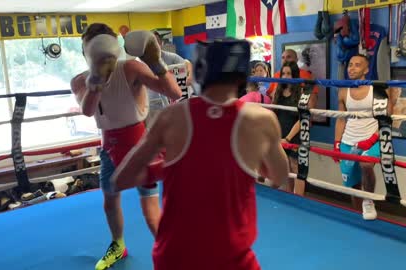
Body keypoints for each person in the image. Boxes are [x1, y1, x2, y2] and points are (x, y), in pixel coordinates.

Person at [109, 39, 289, 270]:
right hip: (232, 260)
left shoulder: (170, 117)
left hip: (174, 258)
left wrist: (172, 168)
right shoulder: (262, 120)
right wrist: (250, 161)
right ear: (242, 75)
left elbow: (120, 179)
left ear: (200, 73)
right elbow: (279, 177)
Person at [70, 24, 181, 270]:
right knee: (110, 202)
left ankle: (170, 254)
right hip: (109, 146)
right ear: (85, 52)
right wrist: (97, 79)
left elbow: (173, 91)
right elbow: (88, 110)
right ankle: (118, 245)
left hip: (140, 143)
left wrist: (156, 63)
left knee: (150, 207)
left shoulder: (131, 67)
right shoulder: (80, 81)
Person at [334, 54, 396, 220]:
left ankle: (368, 201)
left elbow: (387, 120)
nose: (352, 68)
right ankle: (358, 217)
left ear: (366, 69)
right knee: (353, 185)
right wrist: (337, 143)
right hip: (349, 140)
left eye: (357, 65)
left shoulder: (378, 89)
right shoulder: (343, 91)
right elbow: (341, 119)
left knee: (366, 164)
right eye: (350, 65)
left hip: (372, 140)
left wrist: (372, 139)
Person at [272, 61, 308, 196]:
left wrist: (288, 138)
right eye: (284, 73)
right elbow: (273, 113)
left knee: (296, 167)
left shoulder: (302, 92)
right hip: (280, 134)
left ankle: (299, 199)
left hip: (295, 135)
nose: (286, 76)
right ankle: (289, 197)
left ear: (295, 75)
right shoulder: (278, 92)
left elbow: (302, 119)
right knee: (286, 166)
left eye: (289, 74)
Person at [145, 31, 194, 126]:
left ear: (161, 43)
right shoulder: (139, 61)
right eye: (150, 43)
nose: (153, 46)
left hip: (171, 103)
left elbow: (187, 63)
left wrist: (190, 76)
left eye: (156, 42)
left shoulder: (169, 56)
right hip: (151, 105)